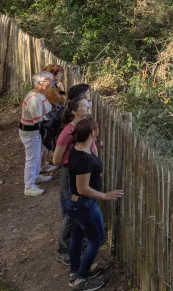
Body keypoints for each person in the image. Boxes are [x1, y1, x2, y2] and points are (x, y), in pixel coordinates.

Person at [66, 117, 122, 291]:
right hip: (85, 205)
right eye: (96, 129)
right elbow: (83, 188)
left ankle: (75, 271)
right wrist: (105, 195)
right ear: (93, 133)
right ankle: (80, 280)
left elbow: (93, 161)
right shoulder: (83, 160)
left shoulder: (78, 151)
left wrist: (95, 148)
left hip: (75, 204)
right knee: (96, 239)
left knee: (76, 237)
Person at [53, 96, 96, 266]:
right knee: (72, 212)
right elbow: (56, 159)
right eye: (84, 105)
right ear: (74, 111)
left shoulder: (86, 127)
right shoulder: (67, 132)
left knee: (82, 209)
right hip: (70, 174)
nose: (88, 106)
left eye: (88, 104)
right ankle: (62, 250)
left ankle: (80, 242)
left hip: (83, 173)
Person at [19, 71, 55, 196]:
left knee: (37, 154)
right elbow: (37, 120)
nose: (51, 83)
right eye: (48, 81)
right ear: (40, 83)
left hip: (36, 131)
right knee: (32, 158)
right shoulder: (34, 99)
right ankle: (28, 187)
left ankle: (35, 177)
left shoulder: (41, 94)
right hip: (30, 132)